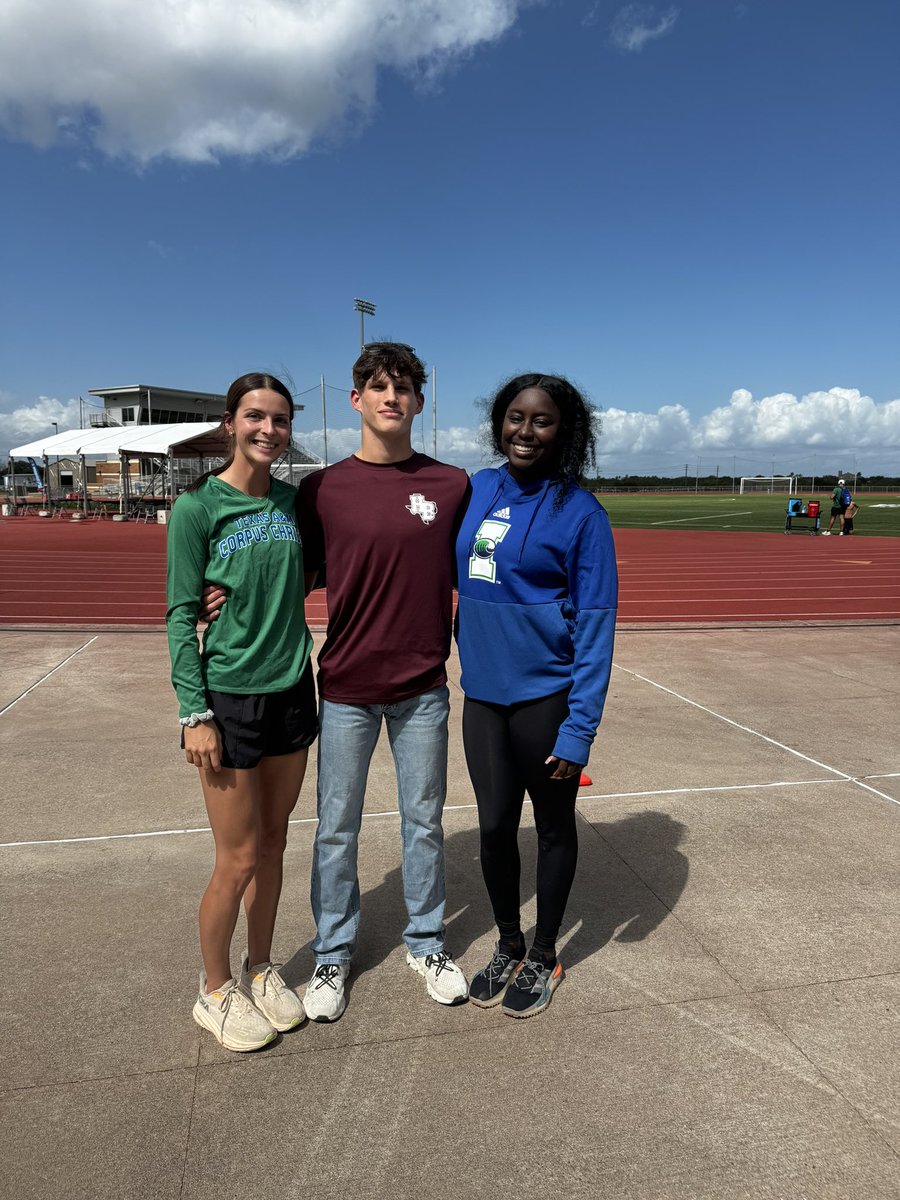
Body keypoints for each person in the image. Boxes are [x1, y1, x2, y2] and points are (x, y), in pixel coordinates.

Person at [295, 343, 471, 1020]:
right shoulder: (323, 489)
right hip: (344, 689)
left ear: (419, 403)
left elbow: (486, 562)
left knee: (423, 825)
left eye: (403, 387)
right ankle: (332, 956)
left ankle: (426, 942)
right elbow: (296, 572)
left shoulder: (452, 485)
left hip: (423, 688)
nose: (391, 396)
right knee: (335, 829)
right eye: (378, 386)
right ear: (356, 401)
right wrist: (228, 592)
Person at [455, 373, 618, 1018]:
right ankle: (508, 941)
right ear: (501, 422)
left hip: (545, 699)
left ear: (564, 431)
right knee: (493, 827)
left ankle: (545, 952)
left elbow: (597, 625)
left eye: (542, 421)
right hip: (483, 698)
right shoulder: (476, 488)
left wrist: (579, 730)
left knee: (552, 827)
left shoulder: (581, 513)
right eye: (515, 418)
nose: (525, 431)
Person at [166, 372, 317, 1052]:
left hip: (292, 689)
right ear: (232, 423)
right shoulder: (198, 508)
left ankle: (261, 969)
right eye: (255, 416)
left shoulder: (295, 503)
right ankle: (215, 988)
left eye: (280, 420)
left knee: (278, 842)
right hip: (228, 698)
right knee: (238, 857)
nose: (268, 430)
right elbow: (177, 615)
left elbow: (312, 572)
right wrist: (193, 712)